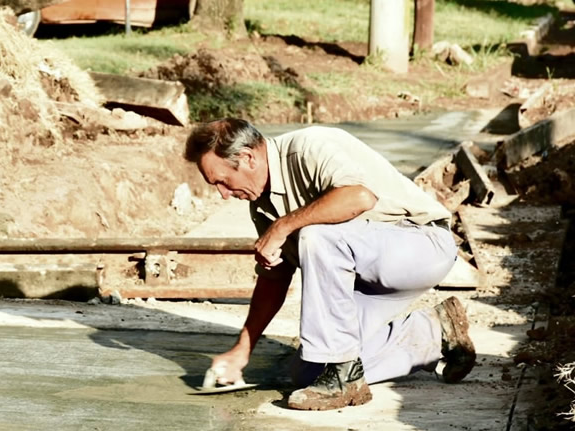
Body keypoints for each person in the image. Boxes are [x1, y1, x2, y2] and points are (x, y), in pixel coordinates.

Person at [184, 118, 476, 411]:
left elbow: (358, 197)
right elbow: (275, 278)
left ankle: (345, 379)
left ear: (247, 158)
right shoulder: (261, 204)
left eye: (221, 181)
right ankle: (435, 332)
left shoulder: (309, 147)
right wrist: (242, 349)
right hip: (365, 278)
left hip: (421, 246)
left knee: (316, 235)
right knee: (309, 373)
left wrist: (283, 227)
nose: (223, 194)